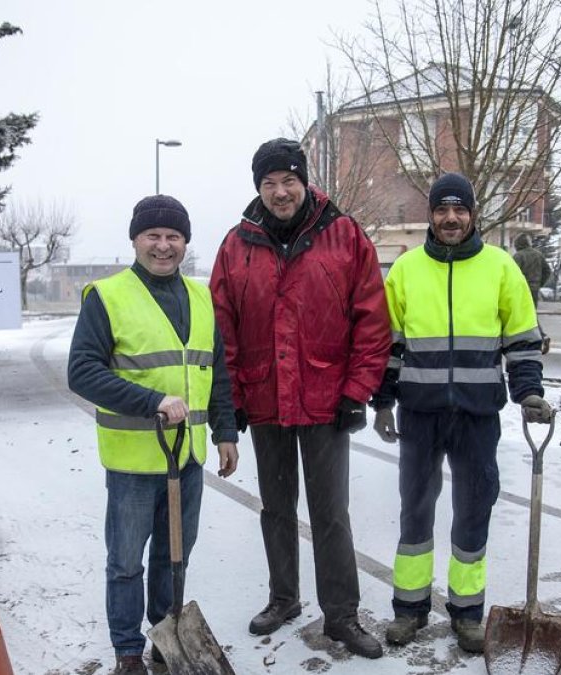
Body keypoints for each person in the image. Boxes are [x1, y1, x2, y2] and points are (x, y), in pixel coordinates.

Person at [210, 138, 391, 659]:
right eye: (269, 183)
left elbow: (372, 323)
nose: (280, 191)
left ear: (305, 181)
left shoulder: (344, 236)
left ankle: (341, 615)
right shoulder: (236, 245)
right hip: (267, 401)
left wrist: (357, 392)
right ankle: (283, 598)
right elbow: (224, 330)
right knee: (277, 508)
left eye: (288, 180)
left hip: (327, 402)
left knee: (331, 512)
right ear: (258, 188)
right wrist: (236, 397)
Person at [371, 173, 553, 654]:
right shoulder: (407, 269)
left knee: (473, 513)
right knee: (415, 512)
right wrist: (383, 401)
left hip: (476, 415)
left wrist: (529, 392)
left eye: (459, 210)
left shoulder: (500, 267)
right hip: (420, 414)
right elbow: (389, 344)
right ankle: (408, 609)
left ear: (473, 214)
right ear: (430, 215)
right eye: (441, 210)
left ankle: (467, 612)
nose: (450, 218)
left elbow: (522, 339)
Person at [68, 194, 240, 675]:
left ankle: (166, 635)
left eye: (173, 237)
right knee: (126, 562)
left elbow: (216, 372)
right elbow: (81, 372)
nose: (163, 246)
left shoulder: (202, 297)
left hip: (185, 459)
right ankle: (127, 650)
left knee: (174, 557)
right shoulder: (107, 296)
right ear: (135, 240)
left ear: (185, 242)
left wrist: (226, 432)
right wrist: (151, 403)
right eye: (153, 236)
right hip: (132, 462)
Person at [513, 233, 552, 354]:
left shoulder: (518, 256)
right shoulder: (538, 255)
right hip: (535, 289)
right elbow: (547, 271)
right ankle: (537, 337)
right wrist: (539, 284)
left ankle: (539, 336)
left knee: (524, 315)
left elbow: (512, 274)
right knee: (530, 313)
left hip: (522, 290)